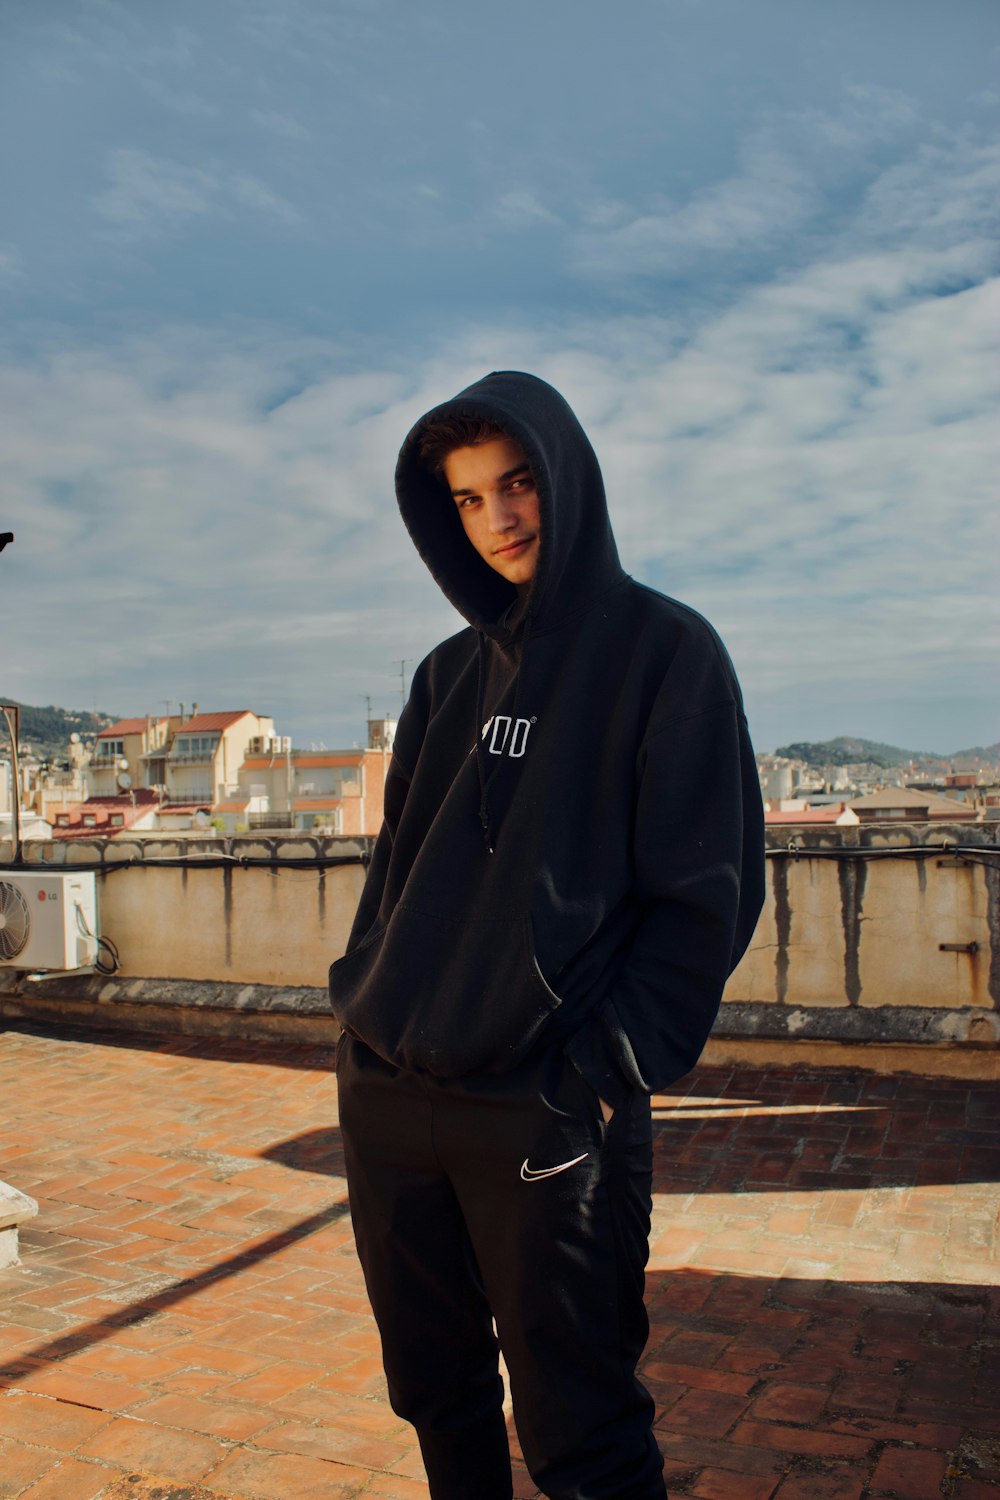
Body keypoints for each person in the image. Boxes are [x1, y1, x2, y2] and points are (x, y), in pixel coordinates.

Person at [330, 370, 765, 1500]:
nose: (499, 519)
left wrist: (597, 1076)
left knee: (584, 1431)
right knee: (437, 1393)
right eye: (467, 500)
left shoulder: (665, 653)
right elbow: (397, 872)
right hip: (390, 1095)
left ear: (565, 477)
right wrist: (364, 1006)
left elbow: (703, 900)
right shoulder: (445, 675)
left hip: (549, 1105)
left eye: (515, 483)